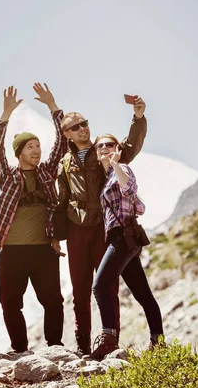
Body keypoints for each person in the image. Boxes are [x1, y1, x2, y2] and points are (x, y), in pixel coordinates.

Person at [55, 96, 147, 355]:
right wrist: (56, 235)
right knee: (79, 289)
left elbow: (130, 147)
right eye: (76, 126)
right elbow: (62, 199)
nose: (83, 128)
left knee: (107, 285)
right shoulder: (65, 162)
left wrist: (138, 118)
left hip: (104, 228)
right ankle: (83, 344)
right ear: (67, 134)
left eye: (84, 123)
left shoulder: (103, 148)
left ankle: (110, 341)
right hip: (75, 229)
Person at [0, 84, 68, 353]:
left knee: (53, 301)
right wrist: (5, 115)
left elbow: (63, 142)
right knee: (10, 302)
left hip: (44, 250)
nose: (37, 150)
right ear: (19, 151)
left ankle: (55, 346)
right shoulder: (7, 177)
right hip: (11, 252)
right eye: (31, 146)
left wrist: (53, 106)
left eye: (38, 146)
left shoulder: (47, 172)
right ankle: (20, 349)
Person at [88, 134, 164, 359]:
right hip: (121, 239)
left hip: (123, 238)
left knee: (100, 286)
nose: (104, 148)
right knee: (143, 294)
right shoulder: (107, 175)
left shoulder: (122, 169)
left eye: (109, 144)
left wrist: (115, 163)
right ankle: (158, 343)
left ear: (118, 148)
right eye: (100, 145)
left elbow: (129, 190)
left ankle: (109, 341)